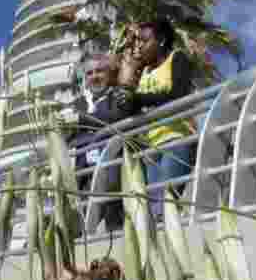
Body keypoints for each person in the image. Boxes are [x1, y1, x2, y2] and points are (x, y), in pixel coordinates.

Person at [115, 17, 197, 210]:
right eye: (138, 42)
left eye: (145, 41)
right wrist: (127, 91)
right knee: (153, 209)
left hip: (175, 140)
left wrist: (138, 99)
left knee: (165, 206)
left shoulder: (177, 58)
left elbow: (178, 95)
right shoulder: (143, 72)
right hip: (151, 148)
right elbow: (132, 110)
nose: (139, 47)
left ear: (160, 40)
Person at [69, 53, 134, 231]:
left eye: (99, 71)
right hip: (86, 170)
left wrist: (82, 120)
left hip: (112, 166)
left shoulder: (118, 95)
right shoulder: (80, 103)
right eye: (89, 73)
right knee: (82, 222)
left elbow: (117, 117)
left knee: (115, 221)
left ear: (108, 73)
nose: (94, 76)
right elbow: (71, 137)